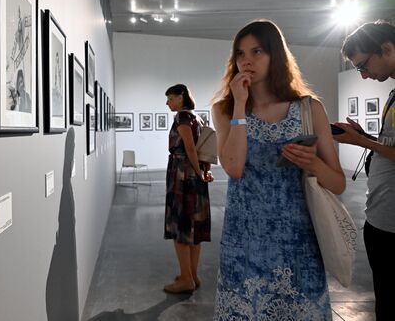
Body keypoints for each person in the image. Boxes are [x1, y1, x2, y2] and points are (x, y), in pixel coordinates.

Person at [211, 19, 345, 319]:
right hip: (243, 242)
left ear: (276, 55)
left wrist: (312, 163)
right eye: (240, 53)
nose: (247, 60)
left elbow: (337, 183)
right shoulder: (225, 109)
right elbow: (233, 168)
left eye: (257, 51)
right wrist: (240, 106)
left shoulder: (309, 109)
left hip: (298, 242)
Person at [333, 20, 395, 320]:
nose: (364, 74)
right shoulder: (394, 93)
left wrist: (360, 140)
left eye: (363, 65)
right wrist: (365, 138)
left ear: (386, 48)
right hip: (382, 217)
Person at [163, 83, 213, 294]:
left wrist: (197, 171)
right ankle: (192, 275)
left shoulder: (182, 117)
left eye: (170, 98)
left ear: (181, 96)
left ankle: (186, 279)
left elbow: (191, 148)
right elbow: (205, 148)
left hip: (183, 175)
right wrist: (204, 171)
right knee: (194, 226)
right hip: (196, 173)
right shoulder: (197, 117)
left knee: (182, 226)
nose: (168, 103)